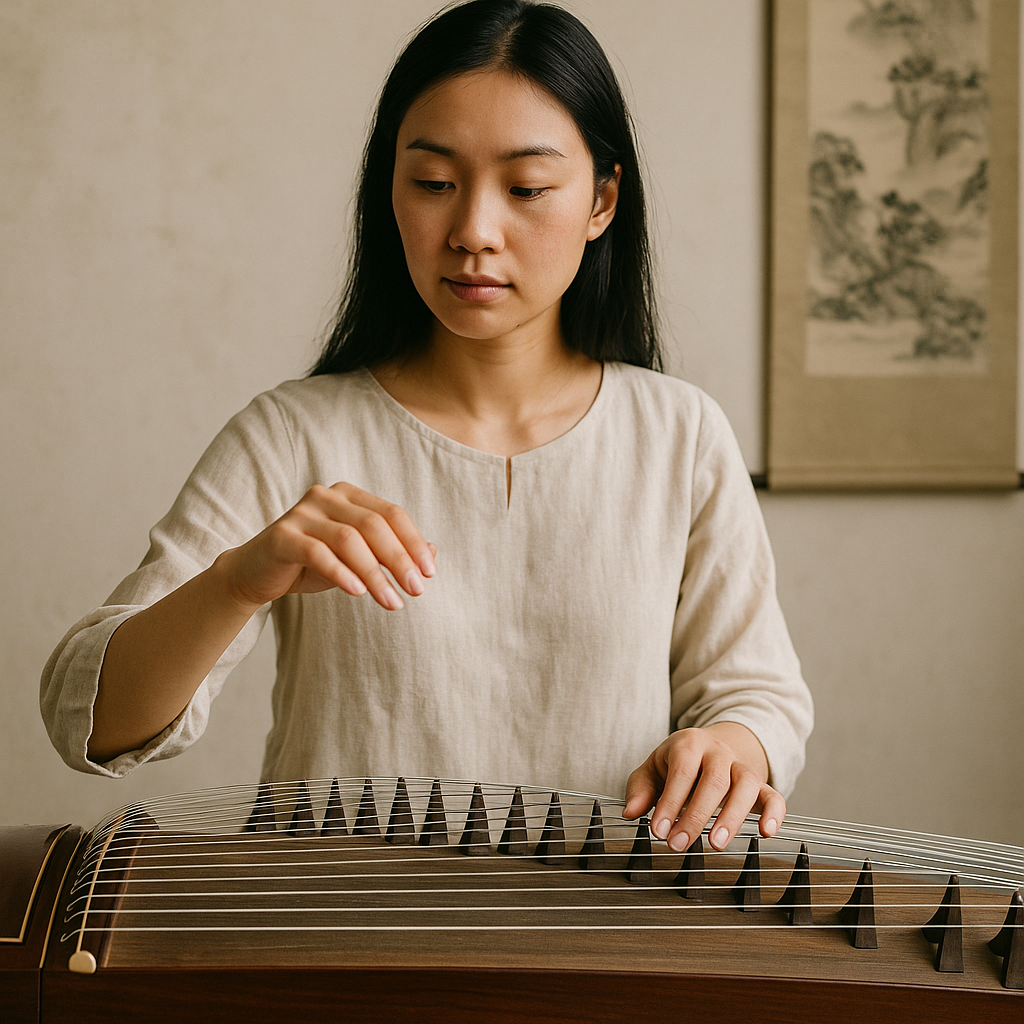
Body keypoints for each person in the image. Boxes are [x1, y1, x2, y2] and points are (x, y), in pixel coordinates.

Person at [41, 0, 812, 856]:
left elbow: (757, 696)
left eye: (526, 189)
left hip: (603, 942)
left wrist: (731, 745)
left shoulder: (680, 434)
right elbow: (89, 719)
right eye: (435, 183)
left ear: (601, 200)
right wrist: (238, 581)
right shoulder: (293, 434)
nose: (474, 232)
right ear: (390, 193)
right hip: (344, 948)